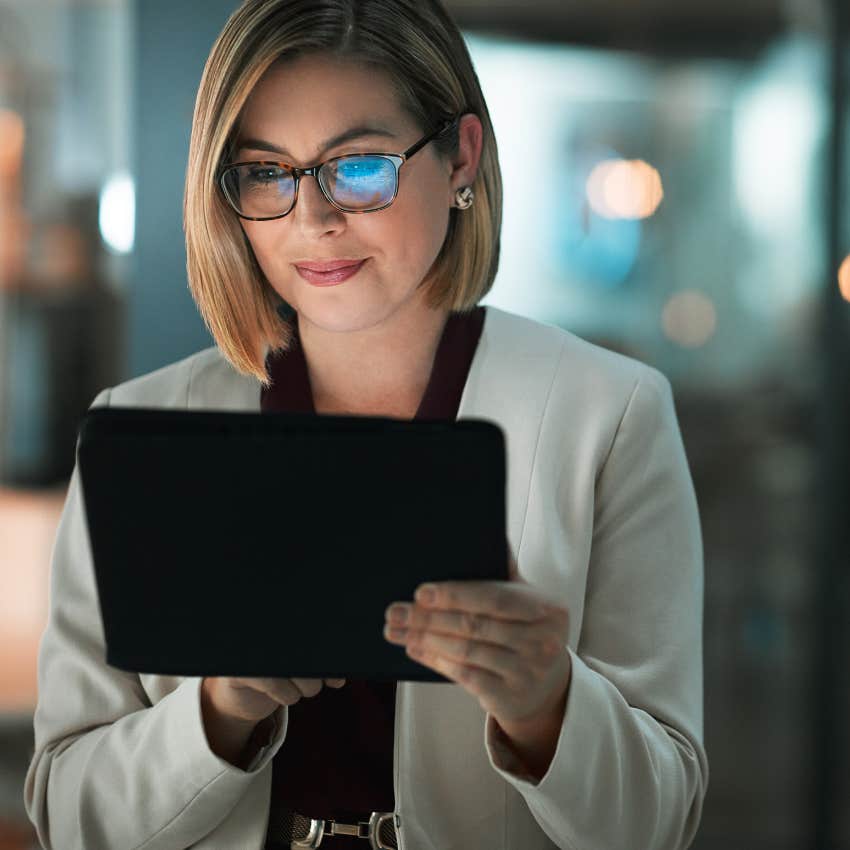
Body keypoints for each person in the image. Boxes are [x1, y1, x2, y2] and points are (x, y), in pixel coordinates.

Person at [23, 0, 709, 848]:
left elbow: (661, 824)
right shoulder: (139, 429)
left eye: (357, 166)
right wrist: (219, 707)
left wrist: (549, 706)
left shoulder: (608, 415)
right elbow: (65, 814)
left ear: (461, 157)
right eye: (267, 171)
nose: (313, 220)